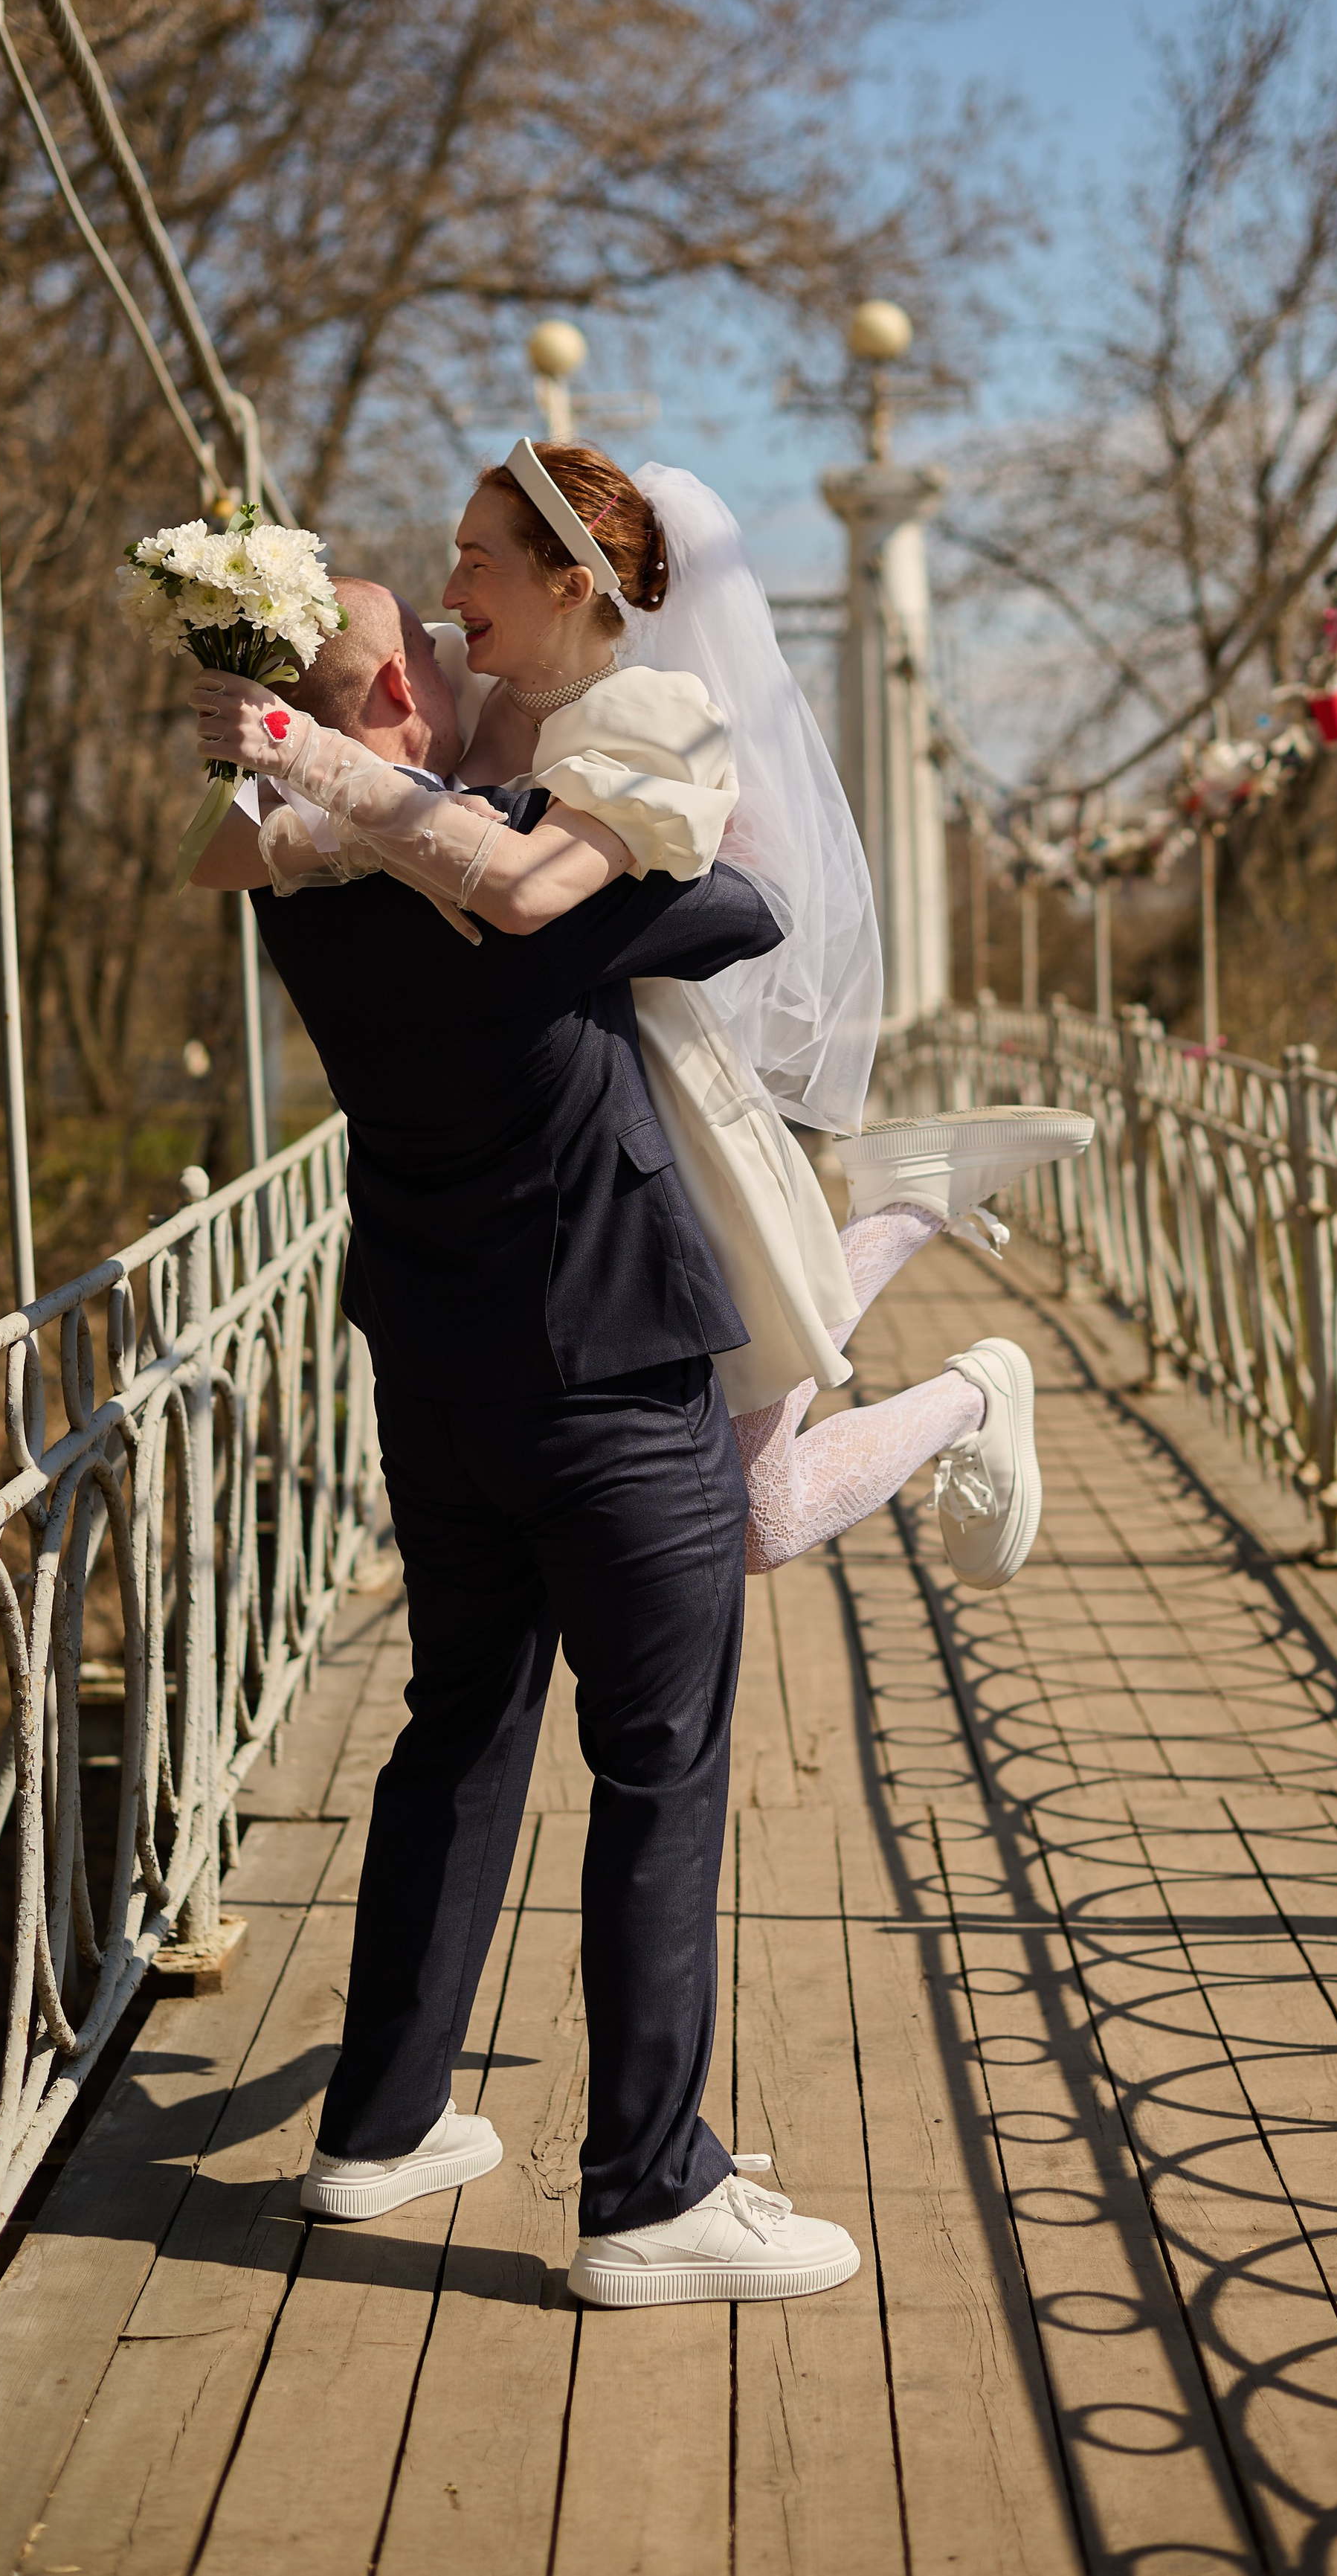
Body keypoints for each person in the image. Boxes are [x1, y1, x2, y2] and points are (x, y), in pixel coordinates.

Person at [190, 629, 868, 2306]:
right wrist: (601, 805)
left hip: (436, 1388)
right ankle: (646, 2195)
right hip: (614, 1391)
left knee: (456, 1734)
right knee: (657, 1773)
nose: (439, 635)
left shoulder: (295, 888)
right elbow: (744, 913)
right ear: (396, 706)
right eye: (409, 644)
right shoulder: (503, 887)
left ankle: (378, 2126)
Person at [193, 443, 1092, 1588]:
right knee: (755, 1485)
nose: (450, 595)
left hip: (665, 1124)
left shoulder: (654, 714)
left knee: (758, 1524)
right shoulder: (469, 693)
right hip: (565, 1137)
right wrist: (267, 694)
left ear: (570, 582)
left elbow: (541, 887)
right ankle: (906, 1205)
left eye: (476, 562)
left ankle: (971, 1381)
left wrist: (315, 763)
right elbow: (251, 844)